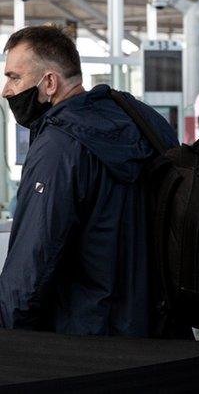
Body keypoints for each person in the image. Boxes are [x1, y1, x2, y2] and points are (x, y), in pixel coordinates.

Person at [0, 25, 179, 336]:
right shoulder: (145, 120)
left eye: (14, 77)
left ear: (50, 82)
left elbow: (32, 266)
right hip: (164, 332)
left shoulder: (59, 146)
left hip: (89, 344)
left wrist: (10, 337)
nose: (6, 90)